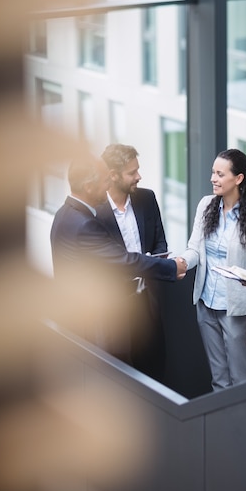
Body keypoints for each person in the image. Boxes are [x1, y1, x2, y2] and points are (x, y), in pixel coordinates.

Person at [50, 152, 187, 360]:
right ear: (88, 187)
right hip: (96, 325)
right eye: (105, 181)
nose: (108, 187)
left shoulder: (64, 214)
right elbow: (124, 260)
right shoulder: (85, 224)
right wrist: (171, 268)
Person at [180, 149, 246, 391]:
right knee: (218, 379)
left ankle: (245, 428)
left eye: (220, 174)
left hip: (237, 312)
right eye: (213, 173)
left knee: (242, 381)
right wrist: (180, 263)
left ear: (238, 179)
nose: (213, 178)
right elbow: (195, 249)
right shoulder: (206, 205)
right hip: (206, 305)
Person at [96, 143, 168, 381]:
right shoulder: (95, 212)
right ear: (113, 175)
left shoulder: (147, 199)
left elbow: (160, 245)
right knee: (119, 380)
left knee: (153, 373)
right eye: (131, 172)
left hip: (147, 302)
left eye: (138, 170)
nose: (139, 176)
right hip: (113, 310)